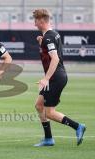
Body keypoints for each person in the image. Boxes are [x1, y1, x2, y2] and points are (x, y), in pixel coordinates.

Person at [33, 9, 86, 147]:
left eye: (36, 21)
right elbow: (50, 53)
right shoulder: (52, 34)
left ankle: (78, 126)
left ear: (42, 20)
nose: (34, 24)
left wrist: (46, 79)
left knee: (49, 112)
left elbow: (55, 59)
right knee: (39, 106)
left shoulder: (49, 37)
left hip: (55, 78)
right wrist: (41, 43)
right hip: (56, 76)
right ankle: (48, 139)